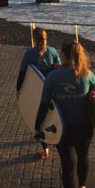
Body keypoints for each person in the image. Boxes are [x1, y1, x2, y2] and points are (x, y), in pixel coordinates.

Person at [36, 39, 95, 188]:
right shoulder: (87, 74)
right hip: (84, 128)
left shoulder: (52, 77)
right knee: (83, 158)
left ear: (64, 55)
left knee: (68, 165)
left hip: (62, 129)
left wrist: (37, 126)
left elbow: (44, 105)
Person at [16, 27, 62, 159]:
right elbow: (58, 69)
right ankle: (57, 137)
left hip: (38, 91)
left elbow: (23, 72)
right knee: (54, 115)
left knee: (39, 119)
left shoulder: (29, 54)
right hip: (53, 90)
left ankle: (46, 148)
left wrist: (18, 89)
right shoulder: (52, 51)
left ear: (34, 39)